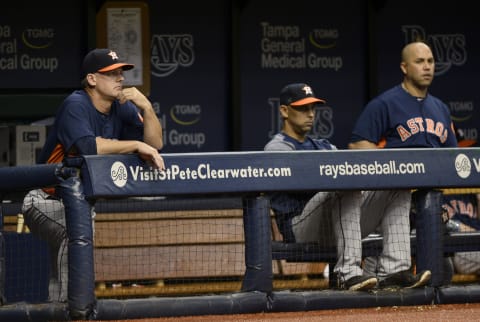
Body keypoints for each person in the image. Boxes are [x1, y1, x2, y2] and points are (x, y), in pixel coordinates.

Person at [21, 48, 165, 302]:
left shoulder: (122, 107)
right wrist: (134, 145)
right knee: (74, 232)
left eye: (121, 72)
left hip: (79, 203)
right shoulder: (75, 104)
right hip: (43, 199)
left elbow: (156, 144)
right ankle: (74, 309)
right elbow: (88, 147)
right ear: (92, 79)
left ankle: (58, 309)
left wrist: (147, 107)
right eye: (111, 73)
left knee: (63, 260)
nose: (120, 78)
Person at [265, 82, 430, 291]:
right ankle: (348, 273)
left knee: (396, 186)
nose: (310, 114)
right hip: (301, 227)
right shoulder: (277, 147)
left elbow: (346, 169)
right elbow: (310, 182)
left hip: (337, 222)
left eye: (312, 108)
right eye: (302, 108)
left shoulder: (322, 145)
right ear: (284, 111)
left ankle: (393, 271)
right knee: (344, 185)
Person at [348, 41, 458, 287]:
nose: (427, 67)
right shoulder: (385, 103)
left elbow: (452, 156)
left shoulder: (440, 108)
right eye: (419, 62)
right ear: (404, 67)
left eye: (430, 61)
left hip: (428, 199)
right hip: (391, 196)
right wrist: (394, 165)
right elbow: (357, 146)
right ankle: (389, 272)